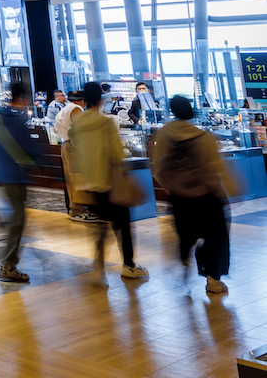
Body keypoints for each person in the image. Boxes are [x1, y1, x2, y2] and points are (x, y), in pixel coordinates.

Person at [152, 95, 235, 294]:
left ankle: (184, 262)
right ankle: (213, 279)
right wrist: (228, 190)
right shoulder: (204, 137)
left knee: (186, 235)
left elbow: (159, 167)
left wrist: (168, 187)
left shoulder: (164, 135)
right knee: (216, 237)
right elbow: (215, 168)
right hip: (206, 196)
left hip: (179, 197)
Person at [70, 85, 149, 283]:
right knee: (123, 226)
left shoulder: (78, 124)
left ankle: (98, 266)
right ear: (100, 99)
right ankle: (129, 265)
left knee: (102, 223)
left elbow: (75, 143)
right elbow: (116, 154)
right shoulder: (105, 123)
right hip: (111, 180)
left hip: (91, 181)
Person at [0, 82, 34, 282]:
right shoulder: (17, 121)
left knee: (13, 219)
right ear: (21, 98)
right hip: (15, 176)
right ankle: (8, 266)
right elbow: (30, 149)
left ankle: (8, 263)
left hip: (0, 176)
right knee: (17, 221)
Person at [54, 86, 99, 223]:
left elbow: (56, 129)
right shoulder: (76, 109)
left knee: (72, 179)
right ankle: (78, 211)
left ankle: (77, 209)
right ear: (83, 100)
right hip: (74, 147)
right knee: (77, 179)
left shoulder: (66, 108)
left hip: (66, 145)